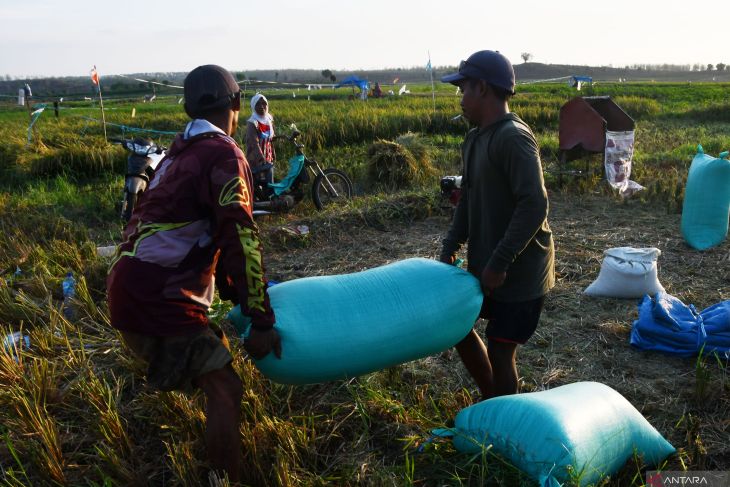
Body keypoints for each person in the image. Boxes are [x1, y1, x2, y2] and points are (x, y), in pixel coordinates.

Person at [107, 64, 281, 482]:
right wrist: (261, 318)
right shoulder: (224, 154)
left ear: (188, 109)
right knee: (226, 390)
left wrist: (231, 292)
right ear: (238, 104)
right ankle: (226, 479)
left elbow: (202, 233)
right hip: (160, 297)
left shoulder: (179, 151)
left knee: (213, 367)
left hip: (128, 284)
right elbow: (240, 239)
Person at [439, 50, 555, 401]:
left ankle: (505, 420)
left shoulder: (514, 139)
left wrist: (499, 262)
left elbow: (534, 204)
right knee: (458, 327)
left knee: (502, 350)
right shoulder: (474, 139)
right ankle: (494, 401)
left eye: (464, 90)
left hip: (519, 271)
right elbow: (469, 199)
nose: (461, 99)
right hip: (489, 265)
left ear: (483, 88)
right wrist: (449, 247)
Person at [245, 93, 276, 186]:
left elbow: (271, 140)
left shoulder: (269, 120)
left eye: (264, 103)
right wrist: (261, 157)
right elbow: (254, 142)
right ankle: (270, 197)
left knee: (267, 178)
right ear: (253, 106)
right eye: (258, 104)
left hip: (268, 156)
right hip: (256, 158)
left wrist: (273, 153)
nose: (262, 106)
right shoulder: (253, 122)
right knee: (263, 178)